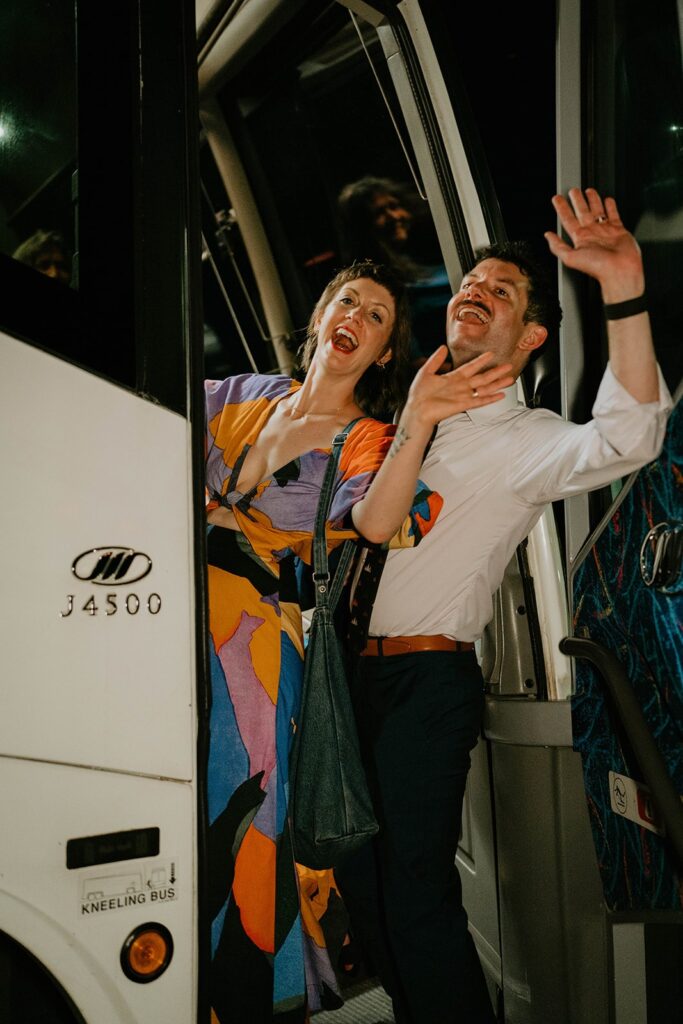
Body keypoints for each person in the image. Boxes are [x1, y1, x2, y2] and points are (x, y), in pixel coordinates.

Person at [334, 188, 673, 1024]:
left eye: (499, 292)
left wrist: (622, 286)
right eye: (466, 284)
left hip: (426, 683)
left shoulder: (526, 440)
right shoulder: (403, 420)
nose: (472, 293)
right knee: (361, 884)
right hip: (346, 677)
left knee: (415, 893)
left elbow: (630, 437)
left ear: (528, 338)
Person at [203, 260, 514, 1023]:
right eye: (348, 301)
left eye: (377, 316)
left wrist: (413, 418)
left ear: (380, 355)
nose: (358, 316)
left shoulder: (364, 438)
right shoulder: (235, 393)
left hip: (250, 668)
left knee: (232, 836)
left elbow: (380, 523)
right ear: (318, 319)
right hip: (162, 627)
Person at [337, 176, 451, 370]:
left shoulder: (412, 264)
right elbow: (415, 362)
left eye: (394, 206)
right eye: (380, 212)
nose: (395, 216)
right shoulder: (375, 282)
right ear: (363, 227)